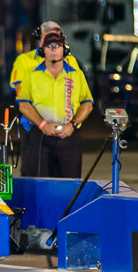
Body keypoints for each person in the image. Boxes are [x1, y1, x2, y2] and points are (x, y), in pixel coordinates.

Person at [17, 24, 94, 178]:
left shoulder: (76, 74)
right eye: (49, 46)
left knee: (69, 185)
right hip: (40, 137)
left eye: (57, 46)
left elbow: (87, 103)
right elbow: (24, 105)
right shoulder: (32, 75)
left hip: (69, 136)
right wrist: (43, 124)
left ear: (64, 49)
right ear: (42, 50)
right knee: (39, 183)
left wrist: (72, 124)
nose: (53, 49)